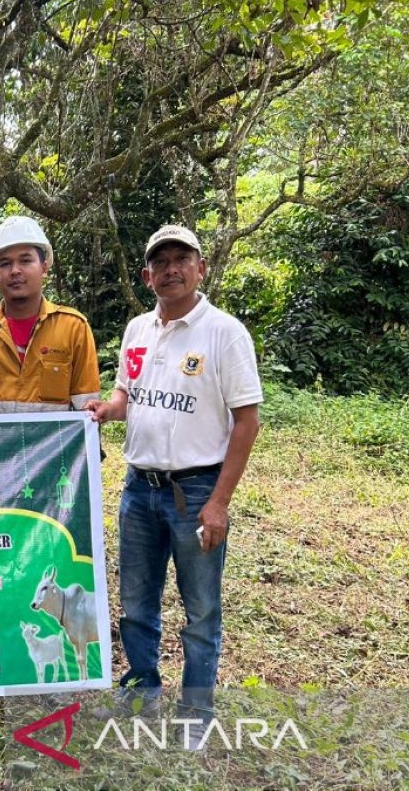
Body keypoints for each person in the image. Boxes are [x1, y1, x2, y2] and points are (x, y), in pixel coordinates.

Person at [87, 224, 262, 748]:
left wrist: (220, 502)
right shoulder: (138, 329)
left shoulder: (224, 332)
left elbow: (247, 421)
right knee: (136, 605)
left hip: (196, 492)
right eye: (160, 261)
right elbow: (126, 395)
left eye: (181, 258)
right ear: (147, 275)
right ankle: (140, 694)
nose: (171, 268)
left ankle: (196, 713)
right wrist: (106, 410)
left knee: (201, 610)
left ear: (200, 267)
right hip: (139, 488)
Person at [0, 215, 99, 414]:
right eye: (5, 263)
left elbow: (88, 416)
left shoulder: (73, 328)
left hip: (53, 446)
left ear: (44, 268)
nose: (15, 271)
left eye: (25, 260)